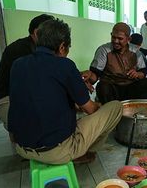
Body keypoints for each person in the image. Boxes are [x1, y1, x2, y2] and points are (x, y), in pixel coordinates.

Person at [8, 18, 123, 164]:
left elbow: (40, 96)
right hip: (55, 152)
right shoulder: (64, 65)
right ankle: (82, 153)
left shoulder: (18, 65)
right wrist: (100, 106)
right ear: (62, 46)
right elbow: (90, 109)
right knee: (115, 107)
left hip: (22, 148)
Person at [0, 14, 54, 130]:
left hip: (24, 96)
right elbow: (34, 85)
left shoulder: (41, 49)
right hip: (7, 100)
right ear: (37, 32)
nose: (56, 37)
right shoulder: (20, 50)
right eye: (52, 32)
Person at [81, 22, 147, 104]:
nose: (116, 41)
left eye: (120, 38)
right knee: (102, 86)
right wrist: (89, 76)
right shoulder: (104, 50)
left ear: (128, 39)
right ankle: (112, 110)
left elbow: (143, 72)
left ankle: (133, 107)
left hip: (130, 88)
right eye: (113, 37)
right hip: (112, 88)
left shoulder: (136, 52)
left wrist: (137, 74)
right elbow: (95, 74)